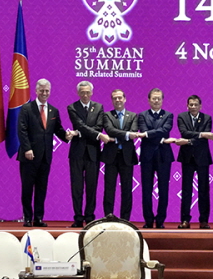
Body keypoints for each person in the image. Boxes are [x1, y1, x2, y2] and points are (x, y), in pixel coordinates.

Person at [17, 79, 73, 227]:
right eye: (42, 90)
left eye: (47, 91)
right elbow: (22, 131)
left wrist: (67, 136)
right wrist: (27, 149)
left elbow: (58, 129)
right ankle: (27, 218)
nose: (44, 93)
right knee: (27, 188)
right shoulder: (26, 108)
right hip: (28, 155)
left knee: (42, 188)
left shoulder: (53, 111)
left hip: (46, 156)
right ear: (36, 91)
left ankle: (39, 218)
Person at [66, 80, 111, 228]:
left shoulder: (99, 107)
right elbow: (80, 125)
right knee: (76, 187)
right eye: (82, 92)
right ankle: (78, 217)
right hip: (77, 153)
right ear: (78, 93)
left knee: (92, 186)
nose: (85, 95)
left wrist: (78, 133)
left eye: (87, 92)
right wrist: (96, 135)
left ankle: (90, 217)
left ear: (91, 92)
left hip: (93, 153)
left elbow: (98, 126)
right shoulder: (72, 107)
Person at [176, 94, 213, 229]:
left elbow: (204, 137)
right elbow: (184, 132)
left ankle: (204, 220)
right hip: (187, 157)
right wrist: (200, 135)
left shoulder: (207, 118)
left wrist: (190, 140)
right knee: (186, 190)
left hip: (202, 157)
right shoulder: (181, 117)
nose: (193, 107)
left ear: (200, 106)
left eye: (196, 104)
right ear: (187, 106)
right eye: (191, 104)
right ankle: (185, 219)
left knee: (204, 190)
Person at [101, 89, 142, 221]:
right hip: (111, 156)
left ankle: (125, 218)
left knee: (127, 189)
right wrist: (125, 135)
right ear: (112, 100)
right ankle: (108, 215)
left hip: (127, 156)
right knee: (109, 188)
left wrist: (120, 136)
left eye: (120, 98)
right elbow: (109, 130)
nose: (118, 100)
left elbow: (134, 131)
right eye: (115, 98)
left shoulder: (133, 115)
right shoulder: (107, 115)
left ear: (124, 99)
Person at [137, 88, 174, 229]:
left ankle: (160, 220)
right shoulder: (142, 115)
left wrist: (147, 135)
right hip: (147, 156)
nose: (156, 101)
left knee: (163, 189)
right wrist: (157, 137)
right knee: (146, 189)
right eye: (154, 98)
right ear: (149, 100)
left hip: (164, 156)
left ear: (162, 100)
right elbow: (143, 129)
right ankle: (148, 220)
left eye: (159, 98)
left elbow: (165, 130)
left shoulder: (169, 115)